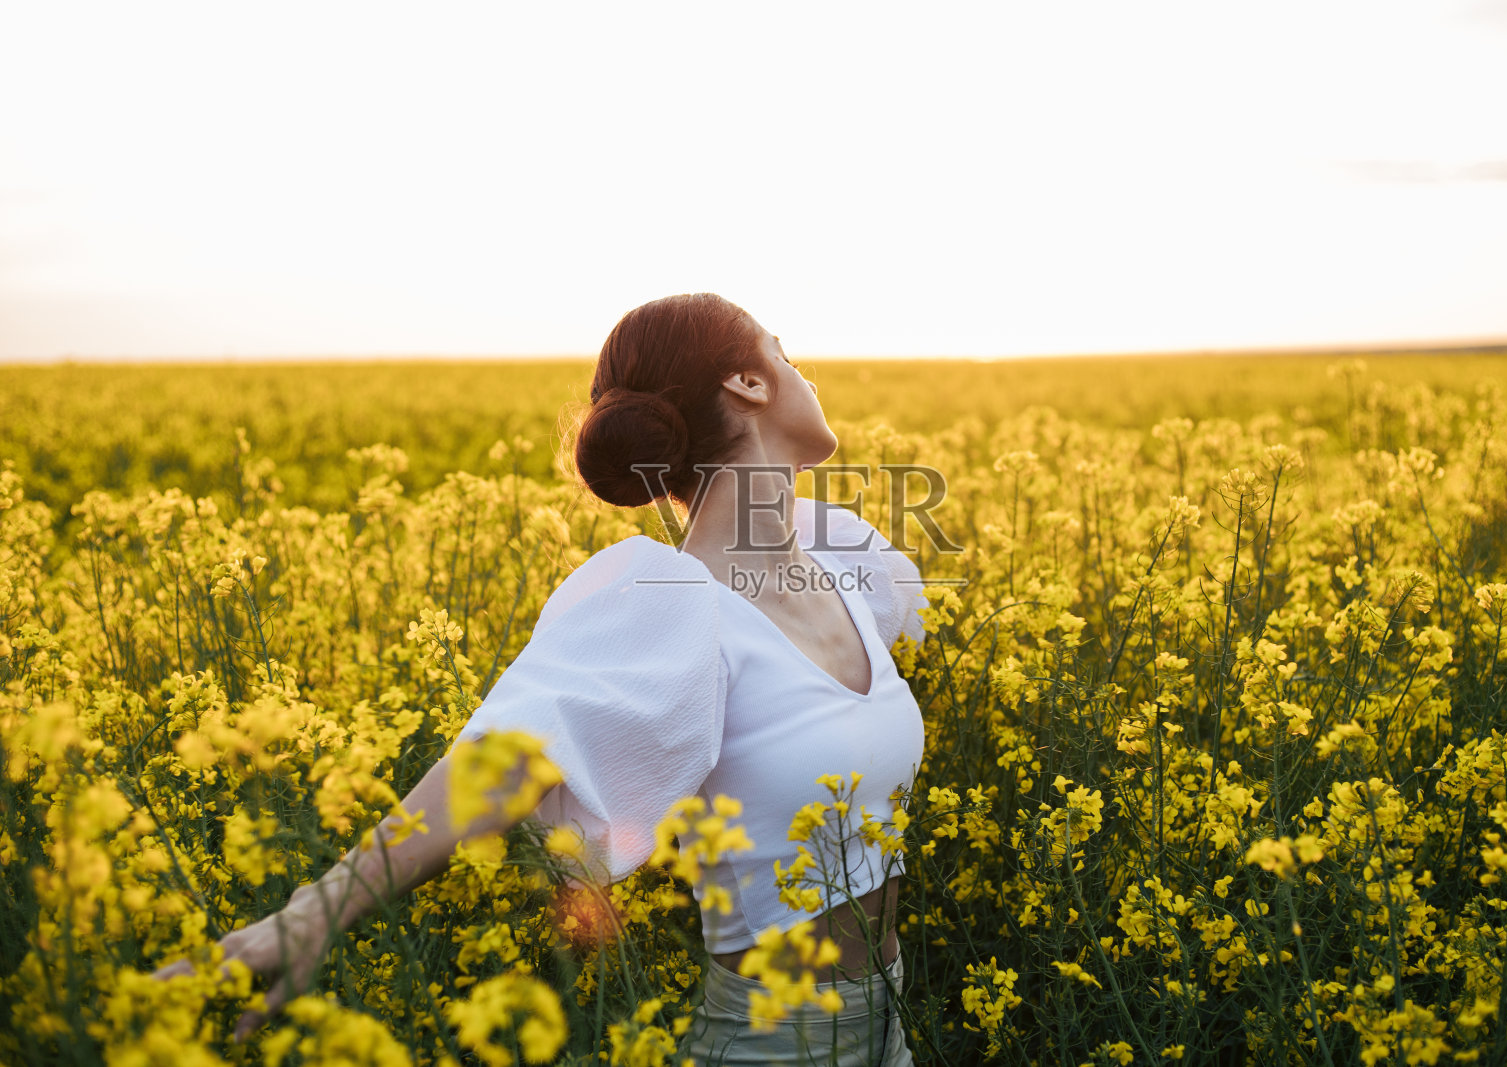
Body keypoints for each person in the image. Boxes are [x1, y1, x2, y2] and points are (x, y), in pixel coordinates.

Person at [156, 292, 928, 1066]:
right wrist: (311, 914)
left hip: (888, 1021)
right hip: (772, 1043)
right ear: (748, 385)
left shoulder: (846, 558)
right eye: (782, 352)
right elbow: (505, 757)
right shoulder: (676, 602)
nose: (805, 372)